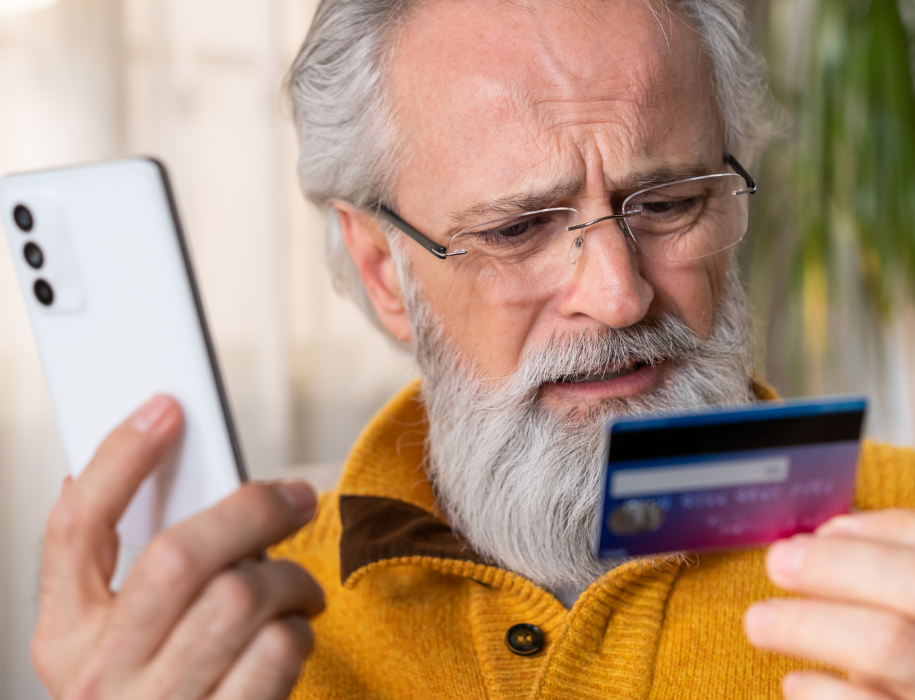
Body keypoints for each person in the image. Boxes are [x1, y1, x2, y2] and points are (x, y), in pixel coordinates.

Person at [30, 0, 915, 698]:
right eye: (518, 227)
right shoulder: (220, 640)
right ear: (383, 270)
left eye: (668, 202)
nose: (616, 295)